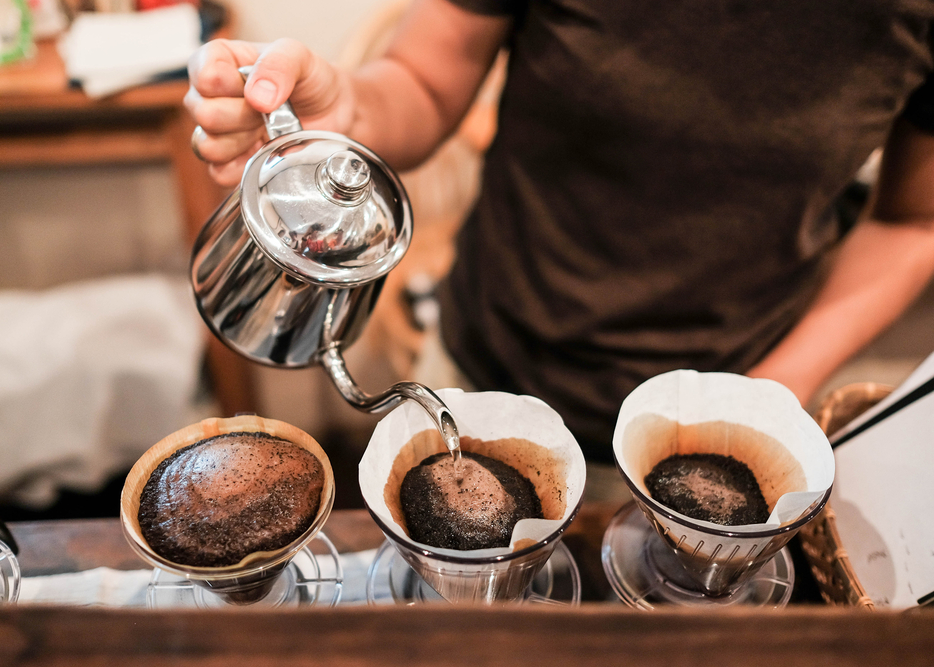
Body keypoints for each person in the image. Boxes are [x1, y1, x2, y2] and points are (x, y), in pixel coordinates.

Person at [184, 0, 934, 467]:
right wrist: (347, 108)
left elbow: (913, 221)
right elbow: (424, 79)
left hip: (721, 413)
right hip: (487, 359)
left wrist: (775, 388)